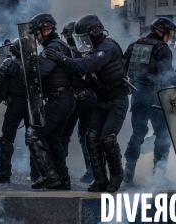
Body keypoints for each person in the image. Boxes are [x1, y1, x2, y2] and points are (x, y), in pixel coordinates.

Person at [45, 14, 128, 193]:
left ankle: (116, 176)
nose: (82, 41)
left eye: (84, 37)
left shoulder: (107, 47)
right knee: (91, 137)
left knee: (107, 139)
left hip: (117, 101)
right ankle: (99, 179)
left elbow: (87, 65)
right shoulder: (93, 48)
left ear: (95, 32)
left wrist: (62, 59)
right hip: (101, 99)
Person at [123, 17, 176, 184]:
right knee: (163, 135)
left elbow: (124, 68)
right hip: (156, 98)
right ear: (161, 31)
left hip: (138, 96)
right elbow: (165, 76)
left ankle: (129, 170)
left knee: (138, 133)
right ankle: (159, 176)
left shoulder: (134, 45)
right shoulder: (162, 49)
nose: (170, 38)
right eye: (169, 34)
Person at [25, 13, 75, 190]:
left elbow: (39, 72)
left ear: (46, 30)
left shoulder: (52, 48)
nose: (36, 38)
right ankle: (63, 179)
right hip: (64, 100)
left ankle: (49, 175)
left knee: (34, 134)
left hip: (57, 100)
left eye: (37, 33)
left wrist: (30, 64)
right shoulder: (59, 45)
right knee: (54, 140)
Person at [0, 38, 36, 183]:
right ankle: (37, 174)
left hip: (15, 103)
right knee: (34, 139)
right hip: (32, 105)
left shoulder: (9, 63)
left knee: (7, 139)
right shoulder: (36, 63)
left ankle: (4, 174)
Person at [59, 21, 97, 184]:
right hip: (91, 97)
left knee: (64, 136)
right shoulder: (89, 51)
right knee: (86, 135)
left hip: (74, 98)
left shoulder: (69, 52)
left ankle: (60, 172)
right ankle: (92, 170)